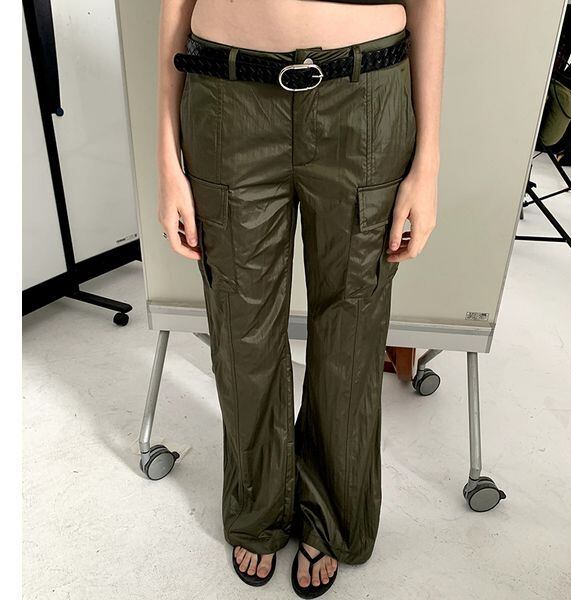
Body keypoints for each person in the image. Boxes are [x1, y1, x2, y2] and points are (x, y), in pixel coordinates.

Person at [157, 0, 444, 596]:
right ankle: (257, 505)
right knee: (241, 327)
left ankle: (332, 513)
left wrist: (429, 162)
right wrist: (165, 155)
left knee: (352, 330)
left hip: (364, 100)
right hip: (227, 98)